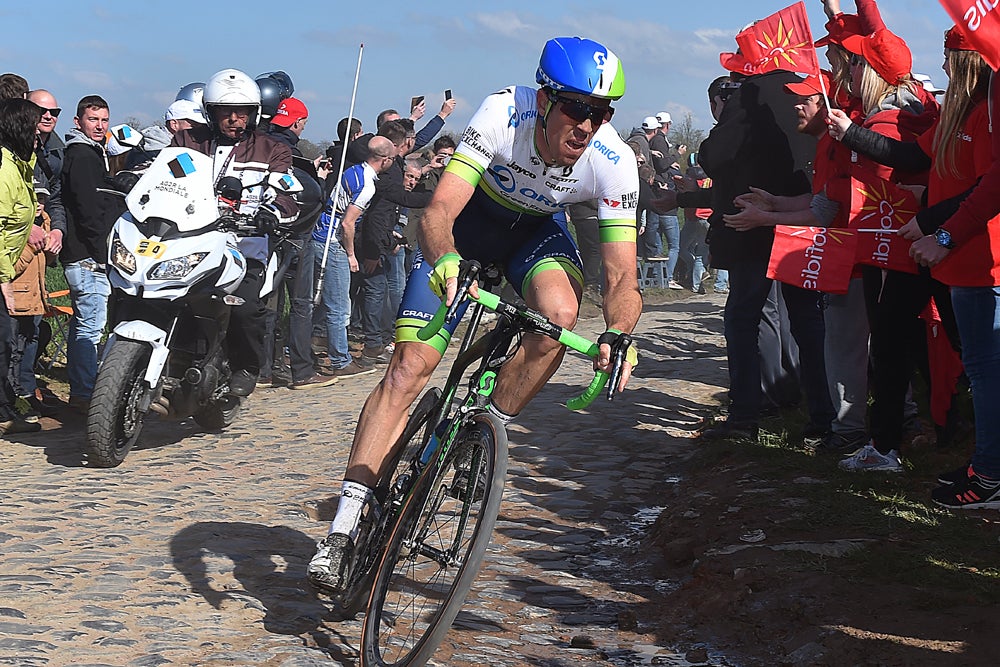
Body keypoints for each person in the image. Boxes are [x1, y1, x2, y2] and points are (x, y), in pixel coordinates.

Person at [307, 36, 641, 593]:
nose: (587, 126)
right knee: (409, 369)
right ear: (547, 98)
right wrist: (445, 261)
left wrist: (619, 333)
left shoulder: (613, 159)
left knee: (559, 316)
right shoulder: (504, 111)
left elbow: (622, 275)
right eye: (577, 108)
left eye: (602, 112)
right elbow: (439, 210)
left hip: (535, 237)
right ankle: (343, 527)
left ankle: (482, 432)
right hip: (467, 229)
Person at [171, 69, 299, 397]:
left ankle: (247, 365)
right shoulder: (190, 140)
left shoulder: (272, 149)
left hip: (245, 242)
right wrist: (132, 175)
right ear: (210, 112)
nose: (233, 119)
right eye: (225, 111)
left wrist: (273, 211)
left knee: (243, 306)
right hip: (190, 237)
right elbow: (163, 169)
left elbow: (284, 191)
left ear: (253, 114)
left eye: (240, 112)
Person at [261, 96, 332, 390]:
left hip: (263, 234)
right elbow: (315, 198)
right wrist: (321, 178)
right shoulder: (291, 154)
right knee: (301, 304)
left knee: (267, 304)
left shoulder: (260, 145)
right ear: (299, 123)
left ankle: (263, 370)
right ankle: (301, 371)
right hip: (296, 236)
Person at [311, 136, 396, 379]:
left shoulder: (352, 171)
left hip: (319, 235)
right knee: (340, 306)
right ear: (385, 160)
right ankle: (340, 360)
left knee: (324, 299)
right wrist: (351, 254)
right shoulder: (367, 185)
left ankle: (309, 342)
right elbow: (348, 224)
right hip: (333, 241)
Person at [357, 120, 433, 366]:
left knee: (386, 291)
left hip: (384, 240)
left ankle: (378, 340)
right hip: (371, 242)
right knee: (376, 292)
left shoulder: (395, 166)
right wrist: (372, 250)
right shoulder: (387, 174)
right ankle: (372, 343)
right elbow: (379, 214)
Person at [59, 95, 114, 411]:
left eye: (104, 120)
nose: (100, 126)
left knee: (86, 324)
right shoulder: (82, 155)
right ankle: (84, 392)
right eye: (93, 119)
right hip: (87, 255)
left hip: (86, 253)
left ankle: (82, 388)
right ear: (78, 122)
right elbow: (88, 210)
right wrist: (103, 251)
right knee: (89, 327)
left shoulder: (93, 153)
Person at [0, 98, 44, 435]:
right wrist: (3, 280)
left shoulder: (19, 164)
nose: (38, 133)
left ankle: (4, 411)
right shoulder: (4, 169)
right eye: (33, 127)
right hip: (0, 269)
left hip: (7, 265)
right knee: (3, 341)